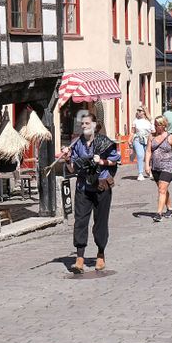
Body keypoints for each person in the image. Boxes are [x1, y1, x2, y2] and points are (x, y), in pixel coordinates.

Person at [57, 110, 120, 269]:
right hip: (83, 187)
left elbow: (114, 161)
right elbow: (72, 170)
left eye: (86, 123)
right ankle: (79, 258)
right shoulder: (77, 143)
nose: (83, 126)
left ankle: (100, 253)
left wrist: (102, 161)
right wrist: (67, 158)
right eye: (82, 124)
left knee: (100, 222)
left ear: (94, 125)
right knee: (80, 221)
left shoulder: (104, 142)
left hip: (101, 186)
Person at [148, 115, 172, 224]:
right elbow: (148, 151)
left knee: (161, 190)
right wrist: (146, 165)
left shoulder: (171, 137)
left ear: (163, 126)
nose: (155, 127)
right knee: (163, 189)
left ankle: (158, 213)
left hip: (168, 165)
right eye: (155, 125)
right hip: (155, 166)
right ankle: (170, 209)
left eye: (157, 125)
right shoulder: (151, 137)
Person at [131, 107, 153, 180]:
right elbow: (132, 132)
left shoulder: (149, 121)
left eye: (140, 110)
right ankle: (140, 173)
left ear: (144, 112)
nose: (138, 112)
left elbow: (153, 131)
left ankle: (148, 170)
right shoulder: (135, 121)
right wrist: (129, 139)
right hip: (138, 139)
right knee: (140, 155)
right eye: (137, 110)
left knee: (148, 156)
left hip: (148, 140)